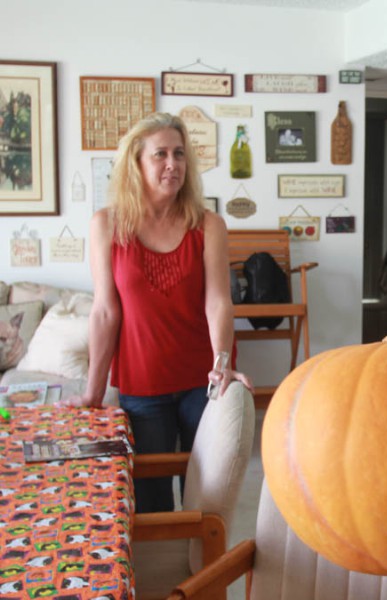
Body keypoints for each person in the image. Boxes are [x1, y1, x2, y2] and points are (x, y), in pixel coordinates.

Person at [59, 112, 253, 512]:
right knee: (151, 502)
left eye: (179, 154)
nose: (172, 164)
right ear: (137, 162)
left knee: (207, 499)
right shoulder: (107, 225)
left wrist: (222, 364)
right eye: (160, 154)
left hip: (204, 381)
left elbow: (218, 300)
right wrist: (94, 393)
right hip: (142, 387)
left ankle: (204, 574)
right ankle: (159, 577)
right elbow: (105, 313)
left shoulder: (209, 224)